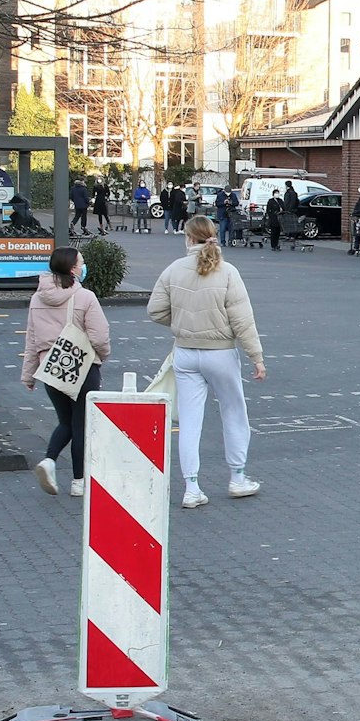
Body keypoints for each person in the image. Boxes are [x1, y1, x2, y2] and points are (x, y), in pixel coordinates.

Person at [148, 215, 267, 509]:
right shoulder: (227, 272)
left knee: (190, 420)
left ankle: (192, 487)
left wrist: (182, 324)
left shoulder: (173, 270)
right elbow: (243, 320)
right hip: (221, 352)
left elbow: (155, 311)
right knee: (234, 412)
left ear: (189, 238)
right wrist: (257, 357)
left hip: (185, 352)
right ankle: (237, 477)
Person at [22, 246, 112, 497]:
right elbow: (99, 335)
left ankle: (50, 460)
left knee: (66, 421)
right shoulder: (85, 297)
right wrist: (102, 356)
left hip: (50, 366)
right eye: (81, 262)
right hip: (82, 364)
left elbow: (32, 337)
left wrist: (29, 374)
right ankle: (79, 481)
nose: (83, 266)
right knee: (81, 422)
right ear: (73, 269)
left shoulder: (38, 297)